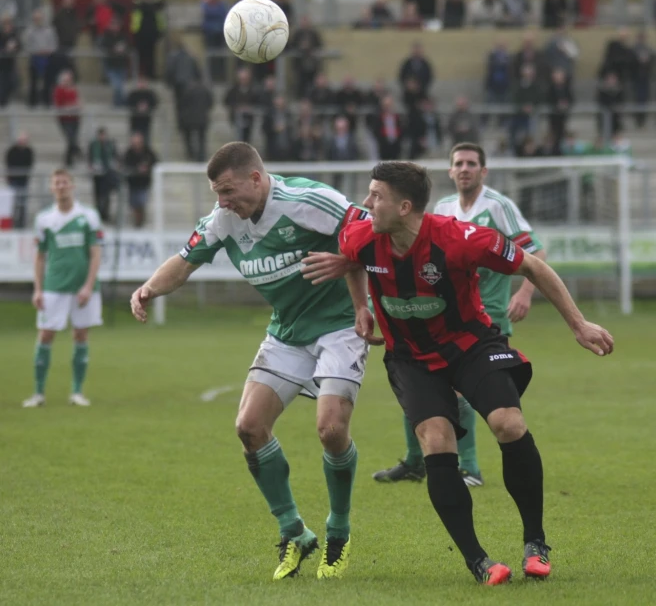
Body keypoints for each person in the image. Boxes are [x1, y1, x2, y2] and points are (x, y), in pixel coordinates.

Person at [301, 160, 613, 584]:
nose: (367, 204)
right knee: (436, 439)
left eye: (377, 197)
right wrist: (361, 307)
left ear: (406, 206)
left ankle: (535, 542)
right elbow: (351, 261)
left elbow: (533, 266)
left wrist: (579, 324)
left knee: (508, 423)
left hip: (470, 345)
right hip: (410, 356)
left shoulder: (461, 239)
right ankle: (478, 562)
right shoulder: (362, 235)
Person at [129, 141, 370, 580]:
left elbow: (372, 232)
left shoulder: (307, 201)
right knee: (249, 428)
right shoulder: (224, 220)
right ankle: (294, 532)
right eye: (217, 194)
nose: (222, 202)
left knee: (331, 428)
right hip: (286, 333)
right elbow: (184, 263)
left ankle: (339, 531)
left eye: (228, 191)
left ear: (256, 179)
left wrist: (348, 266)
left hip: (339, 326)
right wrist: (148, 288)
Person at [372, 142, 546, 486]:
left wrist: (525, 292)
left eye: (471, 163)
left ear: (483, 171)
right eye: (458, 163)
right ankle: (416, 460)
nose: (464, 169)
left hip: (488, 314)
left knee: (460, 395)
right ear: (450, 171)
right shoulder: (443, 207)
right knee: (419, 387)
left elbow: (533, 250)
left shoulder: (497, 206)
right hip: (442, 317)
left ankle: (469, 467)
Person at [23, 169, 103, 408]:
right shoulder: (44, 219)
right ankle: (38, 394)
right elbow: (39, 257)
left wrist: (88, 286)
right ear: (51, 188)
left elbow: (95, 253)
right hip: (54, 286)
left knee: (80, 334)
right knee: (46, 334)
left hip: (83, 289)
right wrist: (37, 289)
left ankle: (77, 392)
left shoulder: (88, 216)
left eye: (65, 182)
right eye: (56, 183)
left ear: (72, 186)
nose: (61, 186)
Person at [5, 132, 34, 229]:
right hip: (14, 180)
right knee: (13, 202)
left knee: (22, 203)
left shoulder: (28, 151)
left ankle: (21, 223)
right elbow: (9, 163)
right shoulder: (12, 151)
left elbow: (29, 164)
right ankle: (12, 222)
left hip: (23, 180)